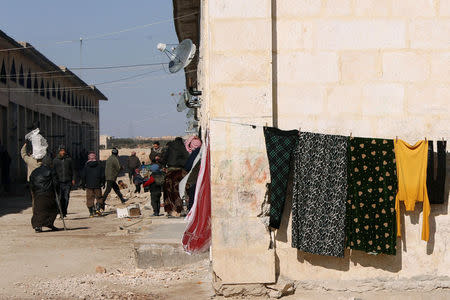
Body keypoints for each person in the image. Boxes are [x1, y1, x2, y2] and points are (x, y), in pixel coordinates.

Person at [161, 137, 189, 217]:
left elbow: (164, 159)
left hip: (170, 171)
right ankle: (179, 210)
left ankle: (170, 210)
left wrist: (163, 166)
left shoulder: (170, 148)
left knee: (168, 192)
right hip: (180, 172)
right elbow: (187, 159)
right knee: (180, 192)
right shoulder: (183, 148)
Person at [29, 160, 60, 233]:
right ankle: (47, 224)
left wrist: (33, 191)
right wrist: (57, 191)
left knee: (38, 210)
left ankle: (39, 225)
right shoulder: (51, 171)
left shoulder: (35, 171)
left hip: (38, 192)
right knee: (52, 209)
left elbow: (31, 181)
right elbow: (55, 182)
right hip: (48, 192)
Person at [52, 145, 76, 218]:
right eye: (61, 151)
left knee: (66, 197)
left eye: (64, 150)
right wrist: (54, 180)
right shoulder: (55, 160)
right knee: (59, 198)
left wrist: (73, 179)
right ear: (59, 151)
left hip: (67, 181)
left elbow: (73, 170)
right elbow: (53, 172)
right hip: (59, 182)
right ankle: (60, 211)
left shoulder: (69, 160)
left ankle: (64, 212)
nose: (63, 152)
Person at [80, 152, 105, 217]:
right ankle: (98, 208)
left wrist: (83, 184)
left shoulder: (86, 166)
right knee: (99, 197)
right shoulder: (99, 165)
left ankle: (91, 213)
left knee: (89, 199)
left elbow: (83, 176)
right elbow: (103, 175)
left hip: (89, 185)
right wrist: (103, 183)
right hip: (97, 185)